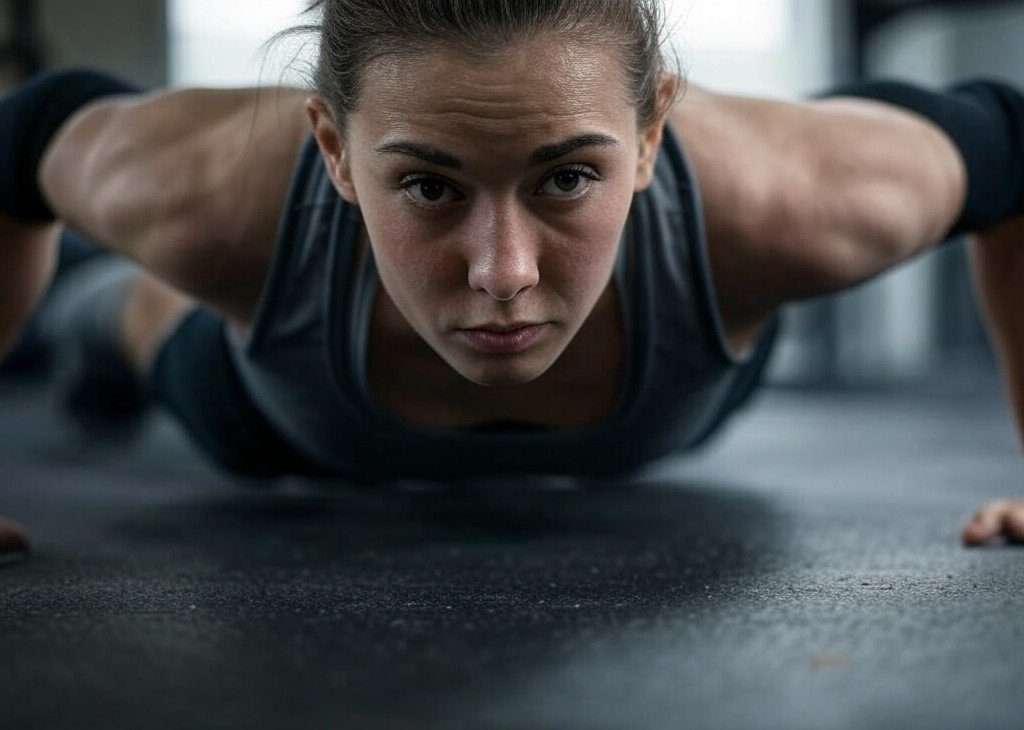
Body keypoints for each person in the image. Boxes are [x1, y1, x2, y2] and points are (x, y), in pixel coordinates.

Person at [1, 0, 1023, 559]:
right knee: (115, 314)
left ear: (652, 131)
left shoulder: (782, 201)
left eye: (569, 177)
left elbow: (1004, 148)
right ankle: (111, 305)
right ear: (332, 146)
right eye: (430, 187)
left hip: (688, 373)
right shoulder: (211, 195)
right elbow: (28, 137)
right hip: (266, 413)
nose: (504, 273)